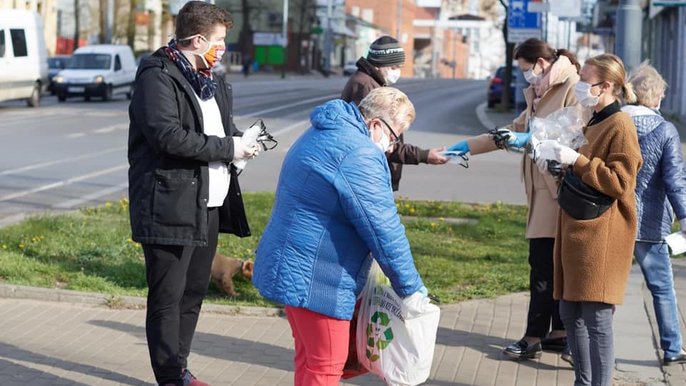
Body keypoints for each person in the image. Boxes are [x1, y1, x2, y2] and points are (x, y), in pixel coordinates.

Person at [252, 87, 427, 386]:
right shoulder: (358, 152)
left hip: (296, 266)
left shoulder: (325, 130)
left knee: (310, 362)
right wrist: (411, 289)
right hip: (320, 279)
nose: (392, 146)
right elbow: (384, 229)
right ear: (375, 125)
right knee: (326, 368)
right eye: (395, 136)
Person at [127, 2, 258, 385]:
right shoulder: (157, 75)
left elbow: (221, 130)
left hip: (208, 203)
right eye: (218, 41)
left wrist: (242, 146)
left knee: (194, 290)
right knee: (168, 295)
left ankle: (179, 367)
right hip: (170, 203)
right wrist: (227, 148)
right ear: (198, 39)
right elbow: (168, 137)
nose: (222, 49)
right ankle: (170, 376)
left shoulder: (211, 80)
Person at [447, 38, 581, 360]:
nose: (525, 76)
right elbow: (512, 130)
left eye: (526, 69)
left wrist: (528, 139)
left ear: (541, 63)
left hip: (557, 190)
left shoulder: (570, 88)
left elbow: (572, 136)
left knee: (543, 267)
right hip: (541, 189)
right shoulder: (540, 92)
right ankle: (559, 333)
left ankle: (533, 337)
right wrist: (464, 148)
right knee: (549, 265)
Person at [536, 53, 643, 386]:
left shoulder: (620, 124)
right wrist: (559, 161)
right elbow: (584, 169)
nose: (580, 85)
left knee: (596, 318)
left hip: (602, 234)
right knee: (570, 313)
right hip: (577, 229)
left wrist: (577, 160)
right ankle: (583, 382)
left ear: (606, 86)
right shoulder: (593, 118)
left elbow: (621, 182)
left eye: (586, 80)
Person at [622, 63, 686, 366]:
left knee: (602, 288)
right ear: (657, 97)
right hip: (650, 222)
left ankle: (579, 345)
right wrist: (685, 217)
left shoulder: (615, 123)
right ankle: (673, 348)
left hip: (613, 218)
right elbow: (675, 180)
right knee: (662, 288)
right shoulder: (665, 130)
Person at [341, 35, 448, 191]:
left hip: (368, 175)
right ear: (378, 64)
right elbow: (383, 142)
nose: (397, 72)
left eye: (399, 67)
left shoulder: (371, 82)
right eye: (393, 67)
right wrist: (424, 155)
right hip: (367, 178)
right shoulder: (367, 88)